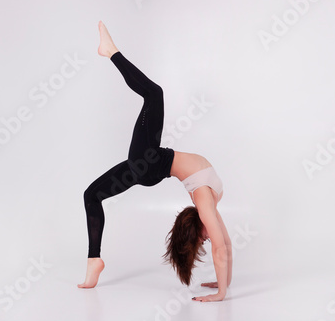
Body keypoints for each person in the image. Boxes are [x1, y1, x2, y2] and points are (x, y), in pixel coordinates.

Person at [77, 21, 232, 302]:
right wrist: (223, 286)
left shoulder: (203, 201)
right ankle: (94, 262)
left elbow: (221, 248)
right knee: (92, 195)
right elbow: (227, 247)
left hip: (149, 162)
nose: (209, 239)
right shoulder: (210, 203)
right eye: (204, 241)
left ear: (197, 224)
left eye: (201, 239)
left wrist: (221, 294)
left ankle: (111, 51)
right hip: (150, 165)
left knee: (154, 94)